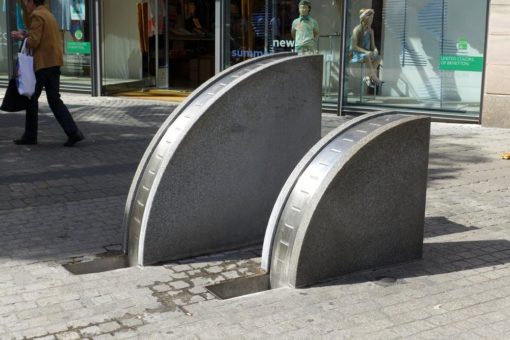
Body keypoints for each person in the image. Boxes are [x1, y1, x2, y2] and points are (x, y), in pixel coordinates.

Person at [11, 0, 84, 147]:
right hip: (54, 63)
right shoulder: (48, 14)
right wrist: (27, 34)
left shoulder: (37, 15)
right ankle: (73, 132)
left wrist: (21, 37)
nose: (26, 5)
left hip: (43, 64)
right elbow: (41, 36)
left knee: (31, 99)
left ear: (32, 2)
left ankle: (30, 136)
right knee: (54, 100)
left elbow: (33, 42)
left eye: (27, 2)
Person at [350, 8, 382, 87]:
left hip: (366, 53)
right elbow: (354, 47)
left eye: (372, 18)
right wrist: (366, 52)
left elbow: (373, 45)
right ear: (364, 18)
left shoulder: (371, 31)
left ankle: (368, 77)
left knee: (378, 58)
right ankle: (375, 78)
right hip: (356, 54)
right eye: (370, 18)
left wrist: (375, 50)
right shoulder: (356, 30)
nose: (371, 20)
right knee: (367, 56)